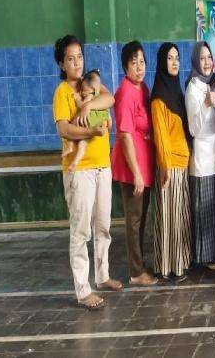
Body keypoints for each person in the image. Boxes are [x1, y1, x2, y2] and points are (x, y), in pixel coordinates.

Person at [53, 34, 121, 310]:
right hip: (79, 169)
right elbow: (64, 128)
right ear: (62, 63)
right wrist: (91, 131)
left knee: (103, 224)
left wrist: (89, 104)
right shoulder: (62, 92)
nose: (77, 62)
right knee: (81, 231)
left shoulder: (90, 82)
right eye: (70, 59)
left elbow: (110, 98)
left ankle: (102, 275)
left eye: (79, 56)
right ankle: (83, 289)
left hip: (102, 165)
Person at [111, 41, 157, 286]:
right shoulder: (125, 92)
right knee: (134, 220)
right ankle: (136, 272)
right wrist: (136, 173)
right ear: (125, 67)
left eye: (142, 62)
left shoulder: (143, 88)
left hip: (144, 162)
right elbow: (125, 135)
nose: (139, 67)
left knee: (141, 217)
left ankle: (139, 265)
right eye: (133, 63)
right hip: (132, 166)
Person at [151, 42, 193, 280]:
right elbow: (161, 136)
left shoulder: (176, 92)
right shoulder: (159, 98)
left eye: (177, 57)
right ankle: (168, 267)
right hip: (170, 167)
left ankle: (180, 262)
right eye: (169, 58)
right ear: (161, 62)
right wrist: (165, 167)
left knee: (180, 217)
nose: (175, 62)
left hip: (182, 163)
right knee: (170, 219)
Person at [185, 41, 215, 270]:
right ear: (195, 62)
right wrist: (207, 104)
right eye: (202, 58)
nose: (207, 62)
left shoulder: (214, 83)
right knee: (204, 212)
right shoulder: (193, 88)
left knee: (214, 209)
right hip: (203, 159)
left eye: (209, 57)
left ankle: (214, 253)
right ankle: (204, 257)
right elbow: (194, 129)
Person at [65, 70, 111, 172]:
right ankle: (75, 162)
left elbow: (83, 106)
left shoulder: (90, 96)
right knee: (83, 144)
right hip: (98, 123)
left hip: (90, 121)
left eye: (84, 90)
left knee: (73, 124)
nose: (82, 92)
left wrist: (77, 99)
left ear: (93, 90)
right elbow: (108, 115)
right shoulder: (100, 97)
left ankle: (70, 145)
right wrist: (109, 125)